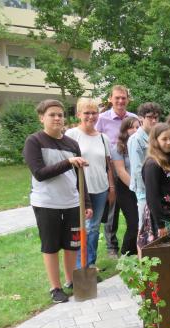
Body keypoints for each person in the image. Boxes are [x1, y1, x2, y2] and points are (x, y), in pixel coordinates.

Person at [23, 99, 92, 303]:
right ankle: (55, 287)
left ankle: (71, 280)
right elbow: (40, 173)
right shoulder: (34, 141)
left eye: (60, 115)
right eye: (52, 114)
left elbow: (80, 177)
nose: (57, 118)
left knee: (71, 245)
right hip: (46, 203)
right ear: (41, 117)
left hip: (71, 202)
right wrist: (67, 162)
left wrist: (86, 202)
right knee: (51, 245)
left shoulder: (72, 144)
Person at [65, 97, 115, 270]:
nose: (91, 116)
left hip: (100, 188)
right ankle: (80, 266)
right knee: (82, 228)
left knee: (93, 228)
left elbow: (108, 165)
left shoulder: (103, 138)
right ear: (79, 114)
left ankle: (90, 264)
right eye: (87, 112)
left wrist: (111, 187)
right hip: (80, 190)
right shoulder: (72, 135)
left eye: (94, 113)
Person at [95, 85, 139, 258]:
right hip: (110, 169)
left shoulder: (134, 118)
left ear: (128, 99)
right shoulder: (102, 119)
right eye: (117, 98)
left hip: (129, 168)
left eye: (123, 98)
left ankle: (135, 242)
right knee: (113, 208)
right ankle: (111, 246)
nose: (120, 101)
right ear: (110, 99)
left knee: (132, 207)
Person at [138, 123, 170, 251]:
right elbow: (152, 197)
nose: (169, 142)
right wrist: (160, 225)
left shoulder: (169, 160)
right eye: (164, 139)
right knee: (160, 254)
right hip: (161, 217)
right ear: (155, 141)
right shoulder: (152, 164)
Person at [128, 102, 162, 229]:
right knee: (144, 226)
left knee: (156, 225)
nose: (154, 120)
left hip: (156, 187)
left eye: (156, 117)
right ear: (141, 118)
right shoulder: (135, 139)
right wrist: (149, 191)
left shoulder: (156, 137)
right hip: (144, 189)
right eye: (150, 117)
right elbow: (137, 169)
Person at [111, 116, 141, 256]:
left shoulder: (142, 144)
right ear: (125, 129)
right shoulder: (118, 148)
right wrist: (136, 187)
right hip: (126, 189)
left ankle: (138, 253)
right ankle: (126, 255)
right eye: (132, 127)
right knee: (134, 223)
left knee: (142, 223)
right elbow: (121, 171)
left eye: (138, 127)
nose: (136, 130)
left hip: (141, 188)